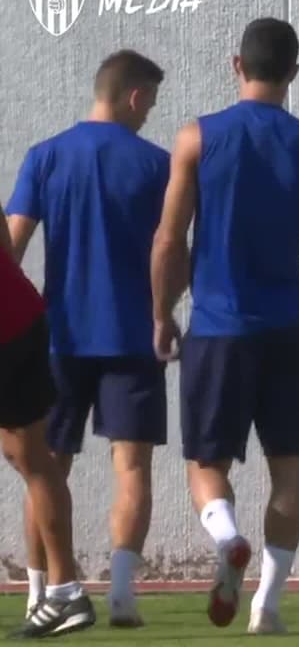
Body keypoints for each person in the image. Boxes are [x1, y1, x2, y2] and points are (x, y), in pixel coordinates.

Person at [150, 17, 299, 635]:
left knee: (206, 462)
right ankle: (266, 603)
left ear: (236, 64)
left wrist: (161, 312)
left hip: (218, 326)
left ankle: (227, 537)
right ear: (294, 71)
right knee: (289, 468)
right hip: (290, 326)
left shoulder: (197, 138)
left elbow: (169, 240)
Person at [6, 49, 169, 629]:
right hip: (134, 335)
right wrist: (167, 312)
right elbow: (171, 250)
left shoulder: (45, 156)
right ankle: (122, 594)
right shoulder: (157, 164)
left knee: (45, 467)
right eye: (150, 102)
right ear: (133, 95)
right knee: (132, 467)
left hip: (59, 337)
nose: (148, 114)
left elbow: (12, 247)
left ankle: (39, 594)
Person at [0, 202, 96, 639]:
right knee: (32, 457)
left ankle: (63, 592)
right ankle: (65, 592)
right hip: (22, 317)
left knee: (32, 457)